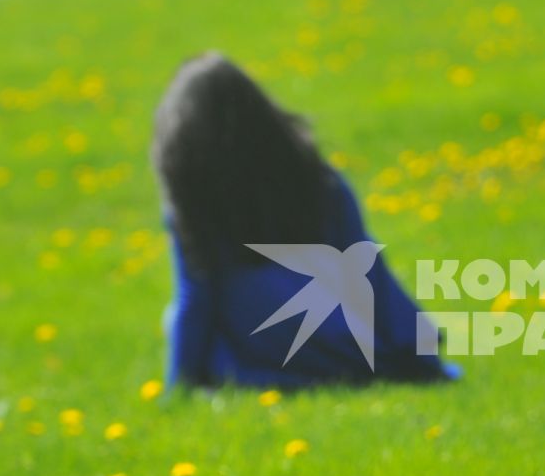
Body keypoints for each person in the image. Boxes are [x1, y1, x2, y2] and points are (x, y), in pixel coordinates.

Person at [151, 52, 461, 390]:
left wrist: (176, 389)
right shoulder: (320, 180)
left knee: (177, 322)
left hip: (272, 358)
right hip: (353, 347)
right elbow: (368, 270)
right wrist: (415, 349)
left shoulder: (197, 204)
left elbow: (194, 300)